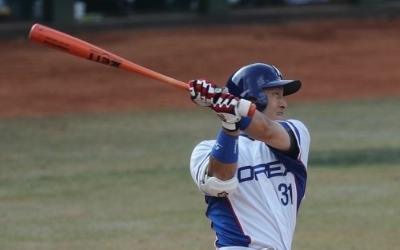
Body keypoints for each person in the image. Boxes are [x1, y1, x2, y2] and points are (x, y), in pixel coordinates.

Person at [188, 63, 311, 250]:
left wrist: (227, 105)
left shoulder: (296, 132)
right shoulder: (205, 150)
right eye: (275, 94)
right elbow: (221, 183)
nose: (283, 103)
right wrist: (230, 123)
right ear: (254, 98)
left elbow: (266, 130)